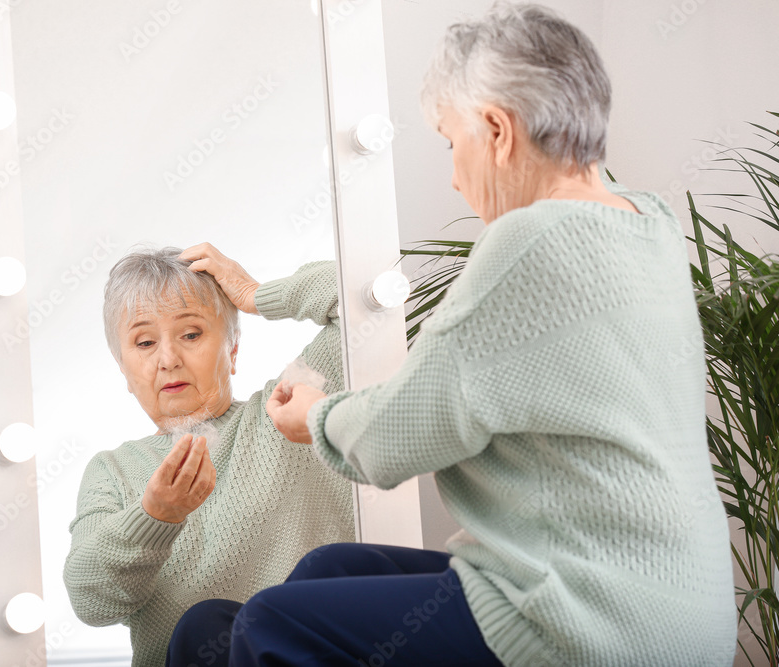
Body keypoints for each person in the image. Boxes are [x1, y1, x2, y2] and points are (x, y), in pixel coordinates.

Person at [166, 4, 738, 666]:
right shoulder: (650, 222)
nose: (452, 173)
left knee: (270, 621)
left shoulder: (530, 242)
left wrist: (316, 418)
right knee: (327, 570)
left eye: (449, 141)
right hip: (673, 611)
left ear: (496, 130)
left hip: (584, 622)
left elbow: (396, 434)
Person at [62, 243, 355, 667]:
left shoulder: (287, 405)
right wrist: (155, 516)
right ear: (124, 371)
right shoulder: (113, 472)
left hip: (315, 653)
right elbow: (91, 602)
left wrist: (256, 294)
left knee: (211, 623)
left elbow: (369, 299)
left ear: (232, 350)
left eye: (191, 334)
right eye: (144, 342)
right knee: (203, 628)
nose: (167, 359)